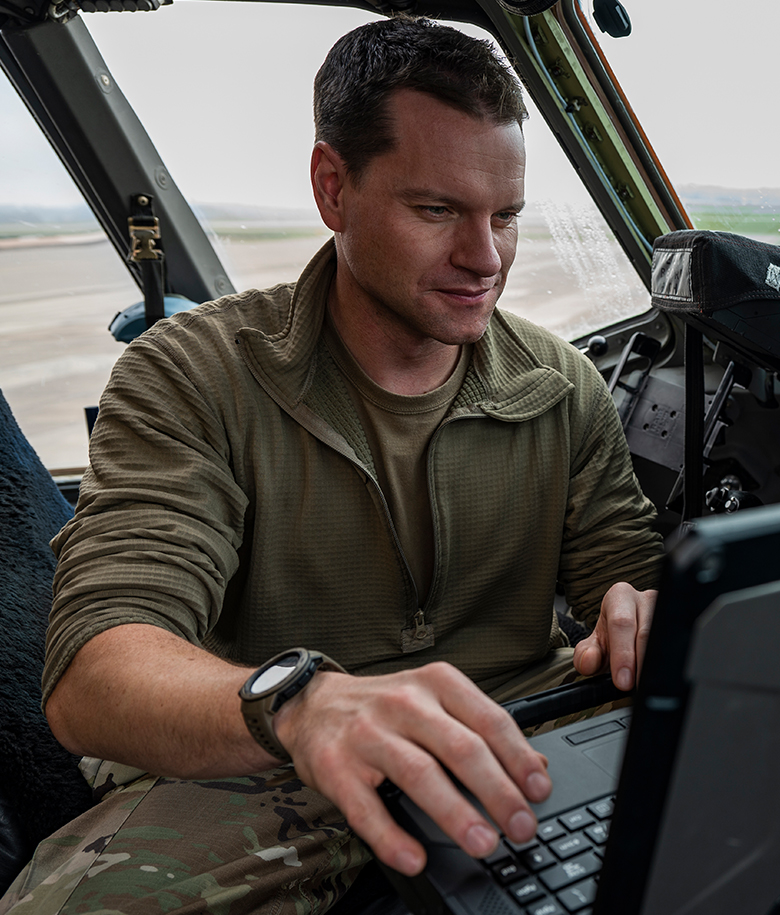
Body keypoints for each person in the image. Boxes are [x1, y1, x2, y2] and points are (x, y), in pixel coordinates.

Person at [0, 15, 662, 915]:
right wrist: (302, 705)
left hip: (517, 733)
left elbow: (626, 579)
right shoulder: (193, 374)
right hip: (271, 757)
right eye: (437, 211)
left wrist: (646, 612)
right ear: (332, 187)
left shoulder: (563, 386)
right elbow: (95, 671)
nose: (485, 258)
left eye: (504, 216)